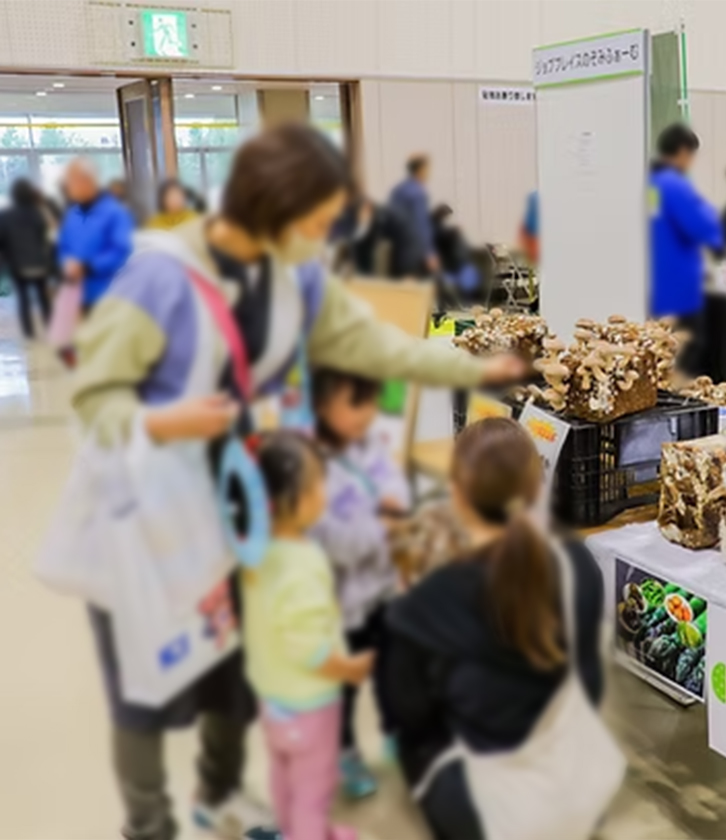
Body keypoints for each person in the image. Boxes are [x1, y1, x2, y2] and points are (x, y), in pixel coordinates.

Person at [72, 123, 525, 840]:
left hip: (234, 509)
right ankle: (149, 823)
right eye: (314, 224)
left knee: (229, 670)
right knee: (147, 688)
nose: (320, 242)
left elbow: (371, 342)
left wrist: (478, 368)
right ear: (269, 208)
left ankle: (218, 795)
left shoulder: (297, 277)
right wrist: (165, 422)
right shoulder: (158, 277)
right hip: (145, 513)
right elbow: (95, 398)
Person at [377, 417, 617, 840]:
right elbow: (589, 684)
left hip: (479, 804)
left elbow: (406, 713)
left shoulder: (432, 593)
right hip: (575, 785)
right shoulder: (579, 562)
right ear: (537, 483)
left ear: (457, 492)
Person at [242, 432, 369, 840]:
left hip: (272, 696)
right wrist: (350, 669)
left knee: (283, 775)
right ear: (291, 500)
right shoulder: (303, 564)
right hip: (309, 705)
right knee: (313, 791)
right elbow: (309, 649)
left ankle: (289, 830)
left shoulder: (253, 553)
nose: (324, 490)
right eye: (317, 482)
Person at [310, 368, 409, 801]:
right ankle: (343, 750)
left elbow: (395, 490)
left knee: (392, 665)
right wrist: (377, 527)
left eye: (370, 403)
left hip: (381, 588)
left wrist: (392, 516)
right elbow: (327, 533)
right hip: (340, 599)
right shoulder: (310, 465)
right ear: (321, 407)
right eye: (355, 404)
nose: (366, 414)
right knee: (344, 684)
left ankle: (397, 734)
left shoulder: (371, 447)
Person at [649, 123, 723, 376]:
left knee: (659, 356)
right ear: (682, 152)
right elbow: (703, 227)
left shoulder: (650, 184)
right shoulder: (674, 185)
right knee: (688, 360)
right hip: (680, 290)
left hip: (654, 288)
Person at [57, 159, 134, 311]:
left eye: (72, 182)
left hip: (110, 294)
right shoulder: (73, 214)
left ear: (88, 181)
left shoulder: (115, 213)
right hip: (78, 294)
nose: (68, 188)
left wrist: (88, 267)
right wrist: (67, 264)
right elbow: (63, 246)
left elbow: (122, 251)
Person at [0, 178, 54, 338]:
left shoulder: (5, 216)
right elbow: (45, 237)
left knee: (23, 300)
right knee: (43, 298)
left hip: (18, 265)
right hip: (39, 263)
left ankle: (29, 333)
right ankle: (49, 327)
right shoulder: (37, 213)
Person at [388, 154, 436, 278]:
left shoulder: (398, 190)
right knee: (413, 289)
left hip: (398, 248)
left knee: (400, 290)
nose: (428, 173)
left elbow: (392, 219)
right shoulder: (417, 193)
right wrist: (429, 253)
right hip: (414, 250)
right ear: (420, 170)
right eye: (427, 169)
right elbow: (421, 225)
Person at [431, 204, 480, 304]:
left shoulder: (437, 224)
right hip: (442, 260)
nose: (447, 219)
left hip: (449, 261)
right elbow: (438, 239)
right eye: (446, 216)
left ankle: (457, 301)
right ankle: (450, 302)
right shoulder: (433, 225)